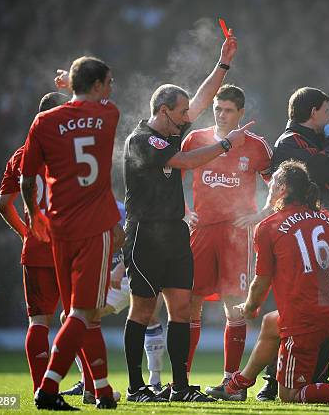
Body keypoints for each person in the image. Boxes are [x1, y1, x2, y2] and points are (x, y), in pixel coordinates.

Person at [122, 29, 255, 402]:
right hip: (145, 235)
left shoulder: (172, 129)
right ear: (163, 111)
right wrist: (227, 143)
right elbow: (186, 161)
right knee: (143, 310)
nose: (188, 118)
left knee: (181, 309)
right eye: (181, 113)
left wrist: (223, 62)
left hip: (176, 235)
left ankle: (180, 388)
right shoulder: (142, 140)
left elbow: (201, 99)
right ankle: (136, 388)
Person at [224, 160, 329, 405]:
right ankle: (238, 384)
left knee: (290, 396)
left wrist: (249, 308)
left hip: (302, 321)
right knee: (271, 323)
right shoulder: (327, 217)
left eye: (274, 180)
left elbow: (262, 280)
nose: (269, 184)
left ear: (283, 189)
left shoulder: (268, 226)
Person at [21, 56, 122, 410]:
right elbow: (101, 106)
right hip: (94, 228)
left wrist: (34, 215)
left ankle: (104, 392)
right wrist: (73, 89)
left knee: (84, 316)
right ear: (96, 86)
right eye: (108, 82)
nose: (111, 89)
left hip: (58, 229)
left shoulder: (43, 121)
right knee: (81, 313)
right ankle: (48, 388)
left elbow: (26, 178)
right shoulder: (109, 115)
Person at [257, 87, 329, 400]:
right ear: (313, 112)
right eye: (326, 110)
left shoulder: (311, 141)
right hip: (301, 237)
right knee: (293, 311)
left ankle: (318, 378)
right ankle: (275, 380)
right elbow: (326, 168)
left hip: (324, 233)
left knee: (324, 311)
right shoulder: (290, 142)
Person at [181, 84, 272, 400]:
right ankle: (183, 381)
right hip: (201, 231)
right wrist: (184, 211)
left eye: (228, 110)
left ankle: (231, 383)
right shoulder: (197, 140)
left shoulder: (257, 146)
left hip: (237, 234)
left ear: (241, 113)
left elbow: (279, 183)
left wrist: (262, 214)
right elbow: (171, 175)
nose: (220, 114)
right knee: (190, 303)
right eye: (217, 108)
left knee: (234, 308)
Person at [0, 91, 68, 396]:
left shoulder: (21, 154)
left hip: (37, 248)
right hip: (70, 247)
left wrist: (26, 232)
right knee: (80, 318)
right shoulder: (72, 154)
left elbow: (3, 204)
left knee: (39, 322)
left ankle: (42, 389)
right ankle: (94, 387)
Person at [60, 200, 166, 402]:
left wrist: (119, 268)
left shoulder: (116, 209)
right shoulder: (82, 209)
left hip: (125, 275)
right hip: (108, 278)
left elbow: (134, 237)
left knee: (147, 316)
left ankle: (151, 381)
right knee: (71, 317)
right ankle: (90, 382)